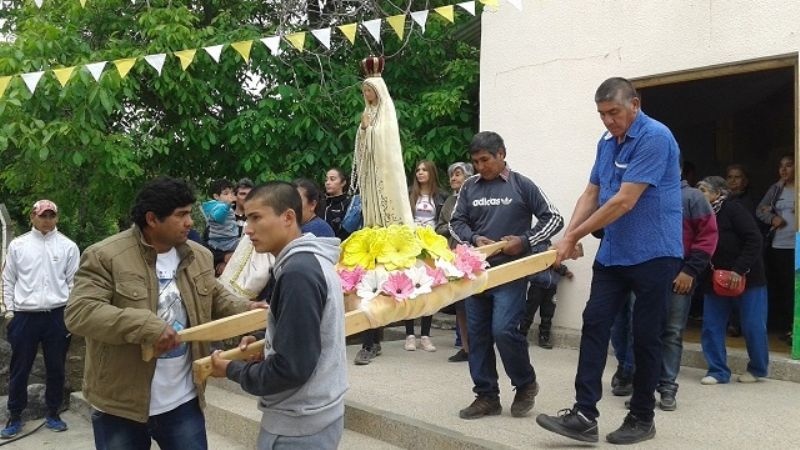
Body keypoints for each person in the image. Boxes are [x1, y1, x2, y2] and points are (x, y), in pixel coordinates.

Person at [537, 77, 683, 445]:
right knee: (595, 323)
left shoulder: (655, 136)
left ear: (635, 103)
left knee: (646, 335)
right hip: (615, 253)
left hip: (655, 252)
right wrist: (568, 236)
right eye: (601, 114)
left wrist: (574, 236)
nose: (608, 121)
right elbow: (593, 192)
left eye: (613, 112)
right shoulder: (606, 143)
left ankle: (641, 417)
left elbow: (624, 200)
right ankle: (584, 414)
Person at [65, 177, 257, 450]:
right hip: (121, 405)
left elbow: (214, 294)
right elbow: (80, 312)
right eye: (181, 215)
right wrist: (145, 325)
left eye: (189, 213)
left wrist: (247, 307)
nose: (190, 222)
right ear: (152, 219)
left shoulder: (198, 255)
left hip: (183, 400)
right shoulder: (105, 256)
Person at [210, 181, 347, 450]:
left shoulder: (298, 272)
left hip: (300, 427)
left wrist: (232, 369)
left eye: (256, 218)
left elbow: (292, 368)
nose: (248, 229)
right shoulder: (309, 261)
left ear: (288, 217)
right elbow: (307, 336)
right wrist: (268, 342)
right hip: (313, 415)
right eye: (247, 218)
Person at [450, 131, 564, 420]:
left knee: (503, 330)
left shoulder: (521, 185)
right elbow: (455, 222)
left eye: (485, 160)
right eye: (475, 161)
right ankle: (486, 396)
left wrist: (524, 242)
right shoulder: (469, 188)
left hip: (511, 273)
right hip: (476, 272)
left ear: (502, 154)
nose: (480, 167)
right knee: (477, 336)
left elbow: (554, 218)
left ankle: (525, 384)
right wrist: (474, 239)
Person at [1, 200, 79, 439]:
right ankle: (14, 416)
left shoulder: (67, 246)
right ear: (33, 217)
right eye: (43, 215)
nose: (47, 220)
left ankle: (53, 412)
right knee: (20, 368)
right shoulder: (18, 245)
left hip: (57, 315)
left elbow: (74, 283)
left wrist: (71, 314)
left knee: (56, 367)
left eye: (51, 215)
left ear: (56, 218)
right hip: (25, 316)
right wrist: (9, 312)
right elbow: (8, 280)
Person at [697, 176, 768, 384]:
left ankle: (757, 369)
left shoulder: (734, 210)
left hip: (747, 277)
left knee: (753, 325)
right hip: (714, 279)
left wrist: (738, 270)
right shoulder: (700, 214)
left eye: (703, 190)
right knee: (712, 325)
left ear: (718, 193)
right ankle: (717, 371)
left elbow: (754, 239)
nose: (698, 194)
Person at [656, 172, 718, 410]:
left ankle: (667, 388)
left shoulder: (693, 197)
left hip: (680, 275)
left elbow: (708, 237)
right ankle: (643, 387)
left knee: (672, 332)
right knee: (644, 331)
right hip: (647, 275)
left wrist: (690, 271)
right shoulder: (643, 194)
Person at [351, 55, 414, 227]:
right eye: (364, 91)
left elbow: (386, 138)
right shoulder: (367, 111)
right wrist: (363, 130)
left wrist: (369, 130)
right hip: (371, 167)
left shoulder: (387, 111)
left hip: (385, 167)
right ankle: (374, 222)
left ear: (378, 91)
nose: (366, 94)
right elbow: (362, 140)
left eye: (369, 90)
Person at [404, 160, 448, 352]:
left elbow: (444, 221)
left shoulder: (441, 196)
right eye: (418, 170)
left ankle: (425, 335)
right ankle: (409, 335)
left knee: (429, 290)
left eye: (424, 170)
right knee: (408, 288)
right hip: (411, 247)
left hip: (431, 247)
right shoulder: (408, 194)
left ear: (432, 172)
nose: (420, 173)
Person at [436, 162, 474, 363]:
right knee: (459, 302)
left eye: (458, 174)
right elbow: (440, 226)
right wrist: (454, 228)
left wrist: (463, 229)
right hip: (453, 255)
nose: (453, 178)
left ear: (468, 177)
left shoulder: (476, 196)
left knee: (475, 301)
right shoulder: (450, 201)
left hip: (473, 254)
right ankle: (466, 348)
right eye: (451, 175)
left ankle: (479, 347)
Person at [756, 154, 795, 343]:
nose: (784, 170)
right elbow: (761, 209)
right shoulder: (776, 189)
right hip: (781, 245)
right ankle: (788, 327)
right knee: (785, 287)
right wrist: (772, 219)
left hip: (798, 245)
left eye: (789, 165)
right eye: (781, 166)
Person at [519, 251, 573, 349]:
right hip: (537, 287)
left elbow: (560, 268)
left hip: (551, 289)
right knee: (529, 311)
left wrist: (566, 272)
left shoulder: (558, 265)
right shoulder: (541, 259)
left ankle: (544, 337)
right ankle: (521, 336)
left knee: (548, 313)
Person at [201, 179, 241, 276]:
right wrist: (223, 258)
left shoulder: (226, 208)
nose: (231, 196)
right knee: (247, 245)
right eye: (226, 193)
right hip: (225, 242)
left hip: (229, 243)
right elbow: (219, 217)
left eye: (232, 193)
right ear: (216, 196)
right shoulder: (218, 207)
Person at [323, 168, 352, 240]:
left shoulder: (349, 204)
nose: (328, 183)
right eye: (326, 180)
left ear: (343, 183)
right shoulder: (321, 203)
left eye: (332, 179)